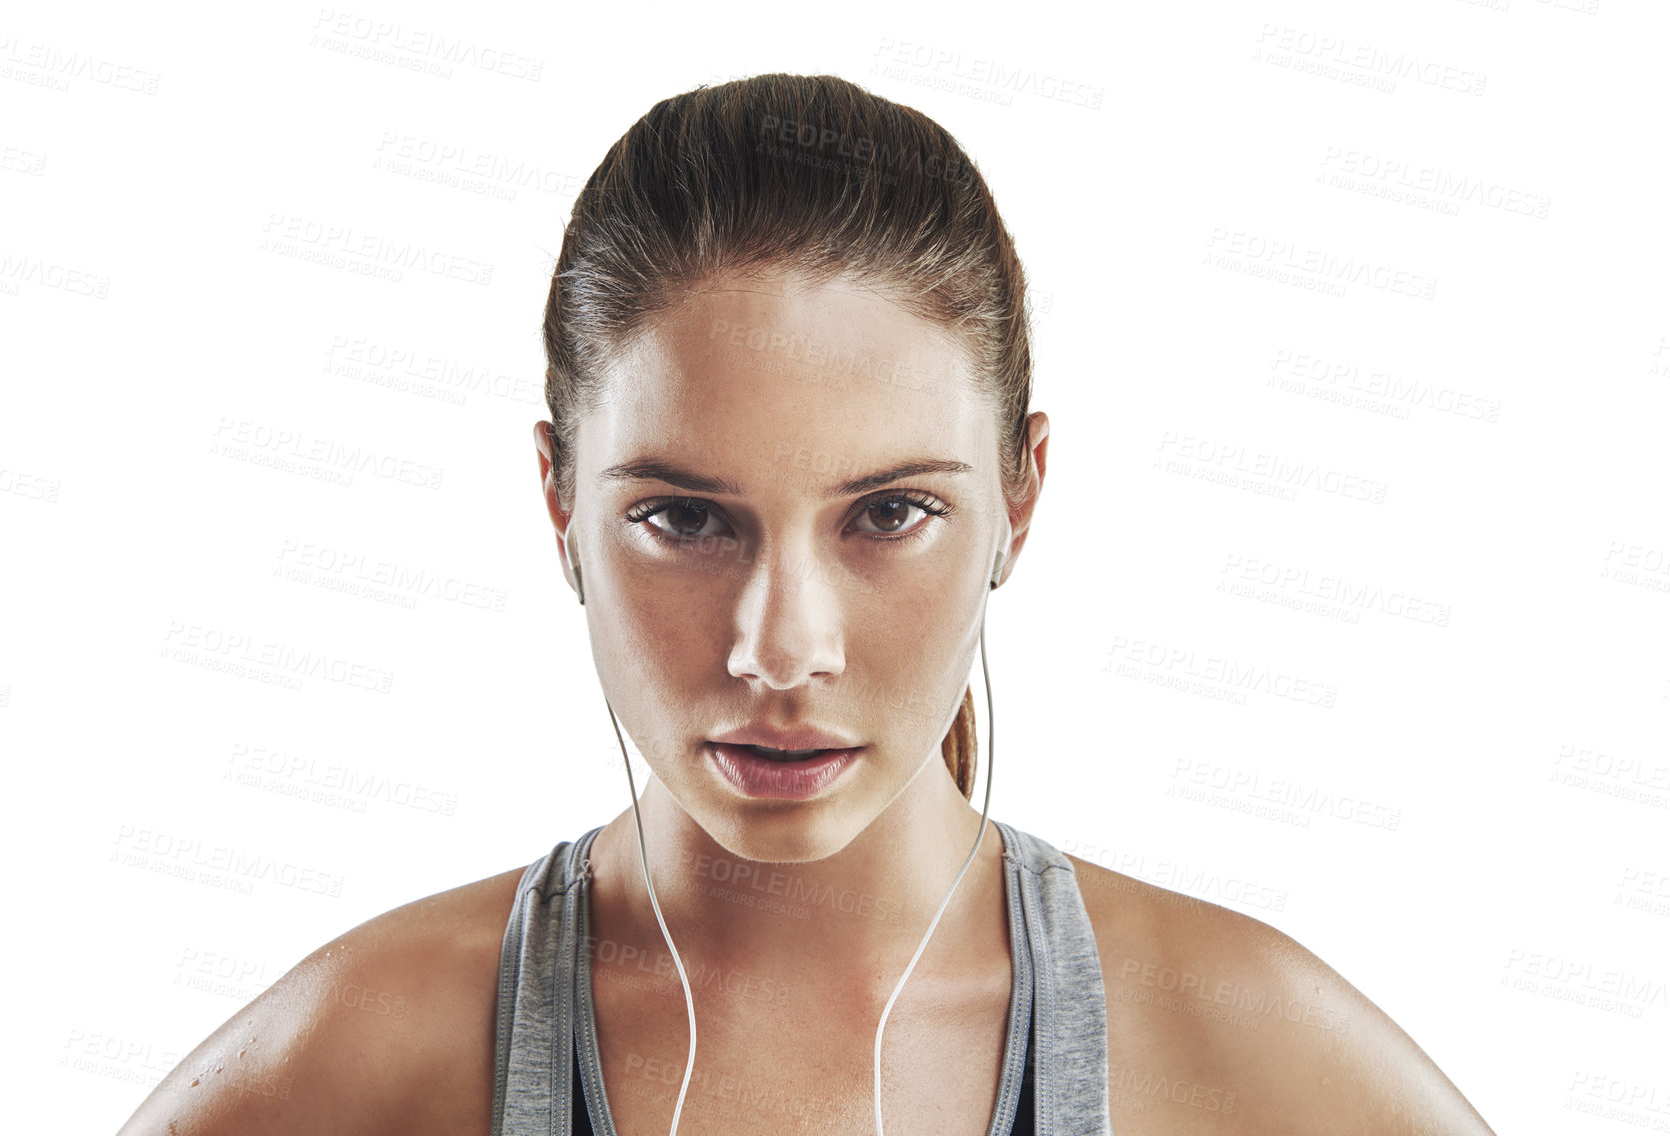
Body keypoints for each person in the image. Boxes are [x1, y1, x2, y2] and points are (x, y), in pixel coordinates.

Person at [118, 72, 1497, 1136]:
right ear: (559, 503)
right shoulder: (380, 1046)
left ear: (1021, 496)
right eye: (686, 518)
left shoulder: (1233, 1042)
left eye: (889, 514)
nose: (781, 646)